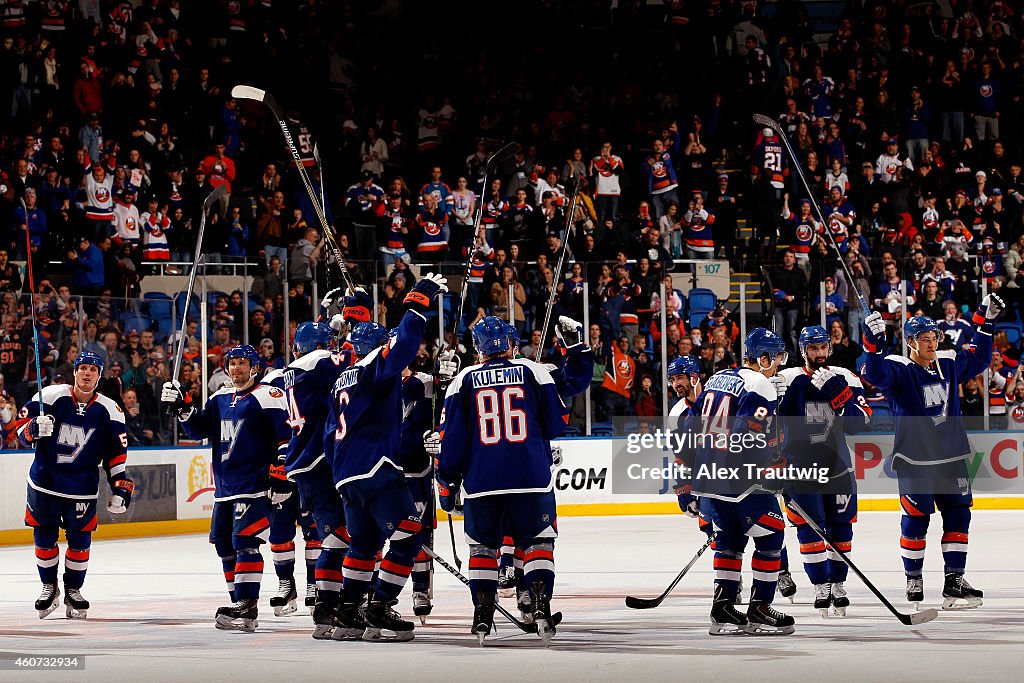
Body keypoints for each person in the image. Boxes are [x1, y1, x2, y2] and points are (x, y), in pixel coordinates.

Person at [326, 274, 448, 642]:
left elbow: (330, 434)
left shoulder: (341, 379)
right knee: (411, 533)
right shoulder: (371, 367)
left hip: (347, 475)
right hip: (376, 469)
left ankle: (348, 613)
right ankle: (379, 607)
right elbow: (407, 342)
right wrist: (419, 297)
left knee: (364, 544)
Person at [436, 315, 569, 644]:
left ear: (478, 349)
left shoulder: (463, 379)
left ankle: (482, 616)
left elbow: (451, 441)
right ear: (510, 344)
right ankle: (540, 606)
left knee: (483, 547)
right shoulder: (533, 371)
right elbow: (557, 424)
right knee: (538, 543)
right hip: (531, 476)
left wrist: (447, 482)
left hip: (482, 481)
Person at [862, 296, 1001, 610]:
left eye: (934, 338)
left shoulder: (948, 362)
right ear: (911, 341)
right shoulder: (899, 368)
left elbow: (979, 361)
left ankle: (954, 582)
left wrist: (986, 323)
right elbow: (873, 374)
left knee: (958, 516)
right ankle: (914, 577)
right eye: (925, 339)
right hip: (915, 460)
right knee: (915, 520)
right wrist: (874, 346)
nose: (931, 343)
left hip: (952, 458)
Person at [161, 344, 292, 632]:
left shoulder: (268, 396)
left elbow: (286, 436)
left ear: (255, 367)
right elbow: (199, 429)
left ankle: (247, 605)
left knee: (245, 541)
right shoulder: (220, 397)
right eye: (232, 363)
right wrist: (181, 408)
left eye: (243, 363)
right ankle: (239, 603)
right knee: (224, 545)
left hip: (254, 485)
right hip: (224, 488)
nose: (236, 368)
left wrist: (282, 473)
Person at [680, 328, 794, 635]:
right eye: (777, 358)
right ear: (763, 358)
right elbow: (747, 433)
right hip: (738, 478)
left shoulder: (717, 378)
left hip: (707, 478)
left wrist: (685, 482)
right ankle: (759, 607)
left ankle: (723, 607)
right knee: (772, 535)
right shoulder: (761, 384)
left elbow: (689, 425)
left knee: (730, 537)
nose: (779, 365)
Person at [19, 351, 133, 619]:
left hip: (82, 486)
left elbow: (116, 453)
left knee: (80, 540)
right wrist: (33, 428)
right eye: (82, 367)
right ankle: (49, 587)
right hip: (45, 482)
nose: (87, 373)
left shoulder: (111, 410)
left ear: (99, 375)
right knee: (44, 537)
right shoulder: (49, 397)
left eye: (92, 369)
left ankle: (74, 590)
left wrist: (120, 484)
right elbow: (16, 431)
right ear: (74, 372)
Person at [263, 319, 355, 639]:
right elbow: (355, 360)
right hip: (321, 461)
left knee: (334, 537)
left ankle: (330, 608)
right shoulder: (317, 362)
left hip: (301, 463)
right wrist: (351, 328)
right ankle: (339, 607)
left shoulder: (284, 373)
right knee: (345, 536)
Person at [776, 326, 871, 617]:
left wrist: (842, 398)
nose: (819, 354)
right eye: (813, 348)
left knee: (841, 527)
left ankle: (838, 584)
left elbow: (864, 421)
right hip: (800, 468)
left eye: (823, 347)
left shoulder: (844, 377)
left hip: (838, 467)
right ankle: (821, 585)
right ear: (803, 350)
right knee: (810, 528)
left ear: (829, 348)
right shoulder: (787, 379)